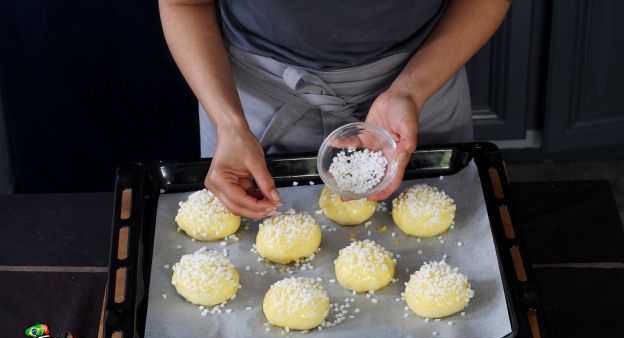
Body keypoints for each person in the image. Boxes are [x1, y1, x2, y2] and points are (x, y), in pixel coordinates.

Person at [159, 0, 510, 220]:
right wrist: (230, 124)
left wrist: (410, 91)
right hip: (248, 112)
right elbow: (185, 4)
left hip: (420, 90)